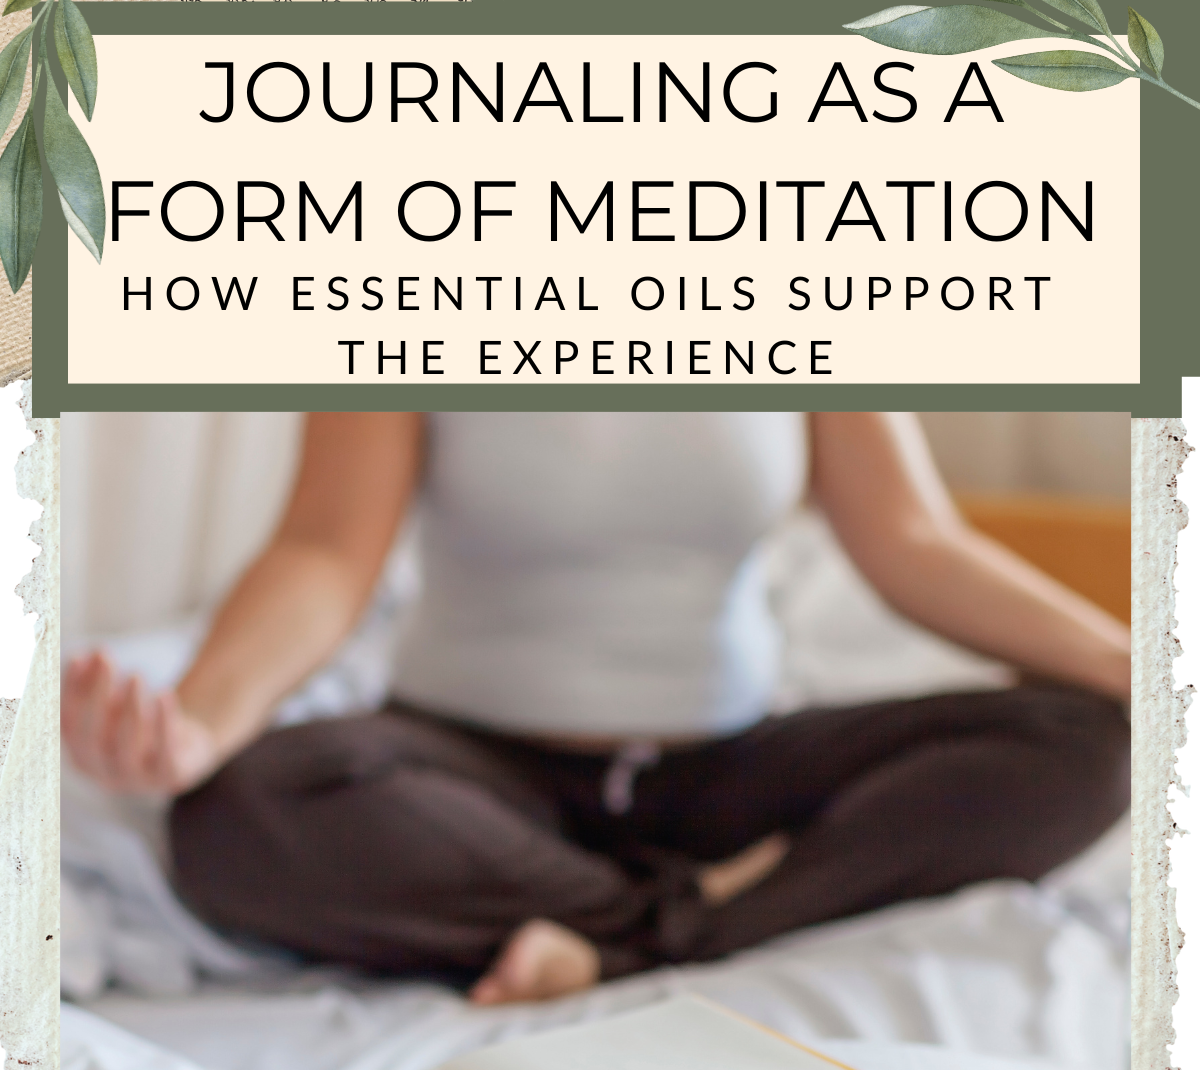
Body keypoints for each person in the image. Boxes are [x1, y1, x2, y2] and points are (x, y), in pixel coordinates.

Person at [62, 411, 1131, 1005]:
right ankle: (700, 917)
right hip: (473, 775)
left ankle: (620, 938)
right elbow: (326, 552)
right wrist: (200, 718)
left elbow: (912, 541)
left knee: (1092, 740)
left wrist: (1138, 660)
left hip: (726, 770)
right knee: (245, 809)